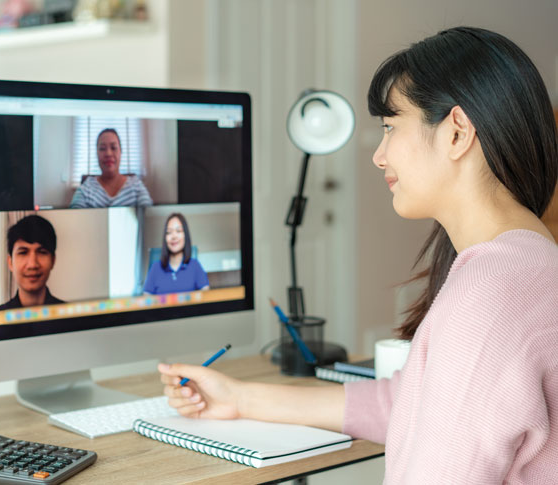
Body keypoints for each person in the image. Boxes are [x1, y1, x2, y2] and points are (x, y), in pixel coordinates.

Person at [159, 26, 558, 483]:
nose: (380, 155)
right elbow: (405, 404)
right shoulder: (529, 263)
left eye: (390, 127)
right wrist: (240, 398)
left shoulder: (492, 294)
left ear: (457, 133)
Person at [0, 215, 64, 311]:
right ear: (10, 262)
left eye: (42, 252)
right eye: (23, 252)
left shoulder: (72, 317)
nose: (32, 265)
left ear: (53, 260)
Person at [69, 128, 153, 208]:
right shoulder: (86, 189)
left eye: (113, 148)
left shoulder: (136, 185)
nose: (108, 154)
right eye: (102, 149)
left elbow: (149, 215)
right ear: (97, 153)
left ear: (121, 151)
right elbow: (74, 217)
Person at [143, 213, 209, 294]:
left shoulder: (195, 265)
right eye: (169, 232)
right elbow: (146, 300)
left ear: (185, 235)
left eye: (178, 231)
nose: (174, 236)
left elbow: (206, 296)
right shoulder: (155, 268)